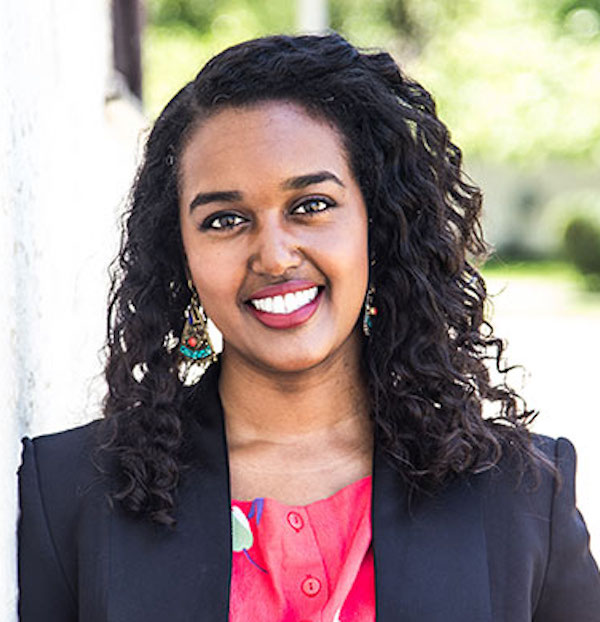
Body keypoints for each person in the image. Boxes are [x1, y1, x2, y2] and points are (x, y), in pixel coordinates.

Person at [18, 32, 600, 621]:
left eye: (312, 205)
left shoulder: (520, 497)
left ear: (377, 224)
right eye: (225, 220)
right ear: (180, 254)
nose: (273, 257)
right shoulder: (72, 494)